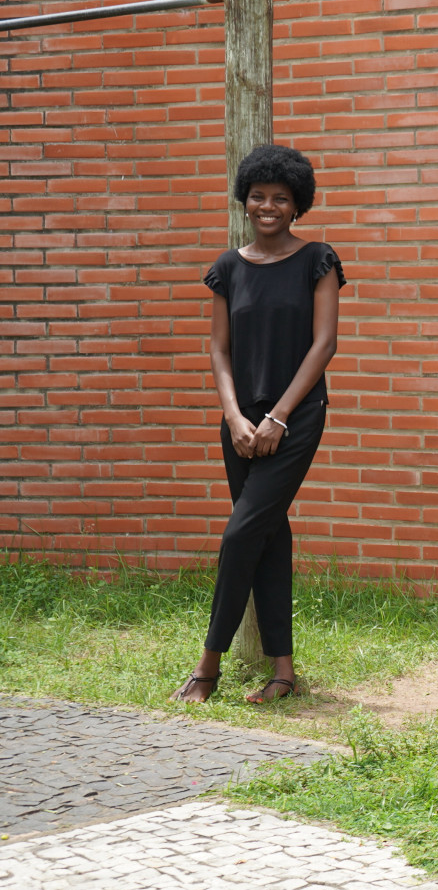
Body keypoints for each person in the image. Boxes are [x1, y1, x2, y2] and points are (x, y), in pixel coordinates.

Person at [175, 144, 344, 705]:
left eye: (280, 198)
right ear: (244, 200)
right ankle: (284, 671)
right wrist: (235, 417)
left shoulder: (318, 259)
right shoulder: (227, 267)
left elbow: (324, 344)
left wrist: (277, 417)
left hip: (296, 418)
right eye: (258, 196)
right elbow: (219, 350)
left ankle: (208, 666)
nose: (268, 206)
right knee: (267, 533)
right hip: (240, 424)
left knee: (240, 532)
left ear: (297, 205)